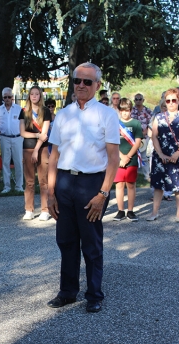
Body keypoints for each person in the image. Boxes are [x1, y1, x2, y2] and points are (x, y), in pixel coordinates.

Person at [47, 62, 120, 313]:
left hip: (92, 183)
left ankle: (94, 295)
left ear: (97, 85)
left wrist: (103, 193)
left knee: (91, 241)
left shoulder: (107, 115)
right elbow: (54, 156)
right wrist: (50, 192)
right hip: (65, 182)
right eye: (77, 80)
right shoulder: (63, 114)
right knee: (65, 240)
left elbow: (113, 158)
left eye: (87, 82)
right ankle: (67, 292)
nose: (81, 85)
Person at [147, 88, 179, 222]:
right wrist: (160, 154)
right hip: (160, 156)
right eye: (168, 100)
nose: (171, 103)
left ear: (178, 100)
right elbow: (154, 136)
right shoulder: (159, 117)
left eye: (174, 100)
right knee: (158, 185)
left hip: (177, 156)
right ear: (165, 102)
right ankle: (154, 212)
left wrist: (177, 153)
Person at [19, 85, 51, 221]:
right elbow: (22, 133)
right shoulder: (24, 112)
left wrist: (37, 149)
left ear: (40, 96)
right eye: (32, 94)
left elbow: (45, 134)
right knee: (29, 181)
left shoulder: (45, 111)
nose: (34, 96)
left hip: (42, 149)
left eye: (36, 94)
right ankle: (29, 209)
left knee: (44, 181)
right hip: (27, 148)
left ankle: (45, 209)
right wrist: (37, 136)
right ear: (29, 96)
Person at [113, 98, 143, 222]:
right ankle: (120, 210)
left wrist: (128, 156)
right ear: (119, 111)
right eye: (122, 110)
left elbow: (138, 142)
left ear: (131, 110)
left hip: (132, 158)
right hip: (118, 159)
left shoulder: (136, 124)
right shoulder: (115, 123)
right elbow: (112, 142)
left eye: (127, 110)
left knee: (131, 185)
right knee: (119, 185)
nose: (125, 113)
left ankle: (130, 211)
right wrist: (121, 156)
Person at [0, 88, 24, 193]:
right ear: (2, 98)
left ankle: (19, 186)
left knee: (18, 162)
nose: (7, 99)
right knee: (5, 163)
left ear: (12, 97)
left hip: (17, 137)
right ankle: (6, 186)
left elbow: (23, 123)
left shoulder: (19, 108)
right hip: (4, 137)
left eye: (9, 97)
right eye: (5, 97)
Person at [131, 93, 152, 181]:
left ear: (143, 100)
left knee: (144, 157)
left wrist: (145, 131)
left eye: (140, 99)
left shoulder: (147, 110)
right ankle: (132, 175)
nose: (138, 101)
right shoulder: (131, 110)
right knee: (133, 157)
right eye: (136, 99)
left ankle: (147, 176)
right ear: (134, 101)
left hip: (145, 136)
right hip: (133, 137)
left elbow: (151, 123)